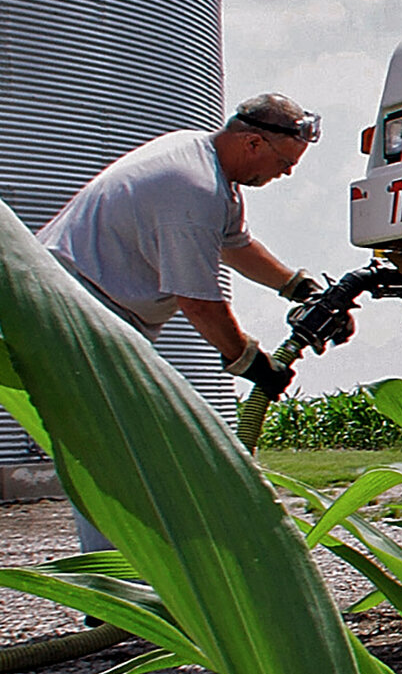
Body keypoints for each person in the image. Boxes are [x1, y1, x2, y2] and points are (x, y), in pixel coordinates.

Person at [37, 92, 325, 550]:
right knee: (111, 452)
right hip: (75, 308)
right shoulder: (192, 187)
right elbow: (199, 302)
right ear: (252, 143)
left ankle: (133, 581)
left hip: (100, 310)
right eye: (284, 161)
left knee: (133, 445)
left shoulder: (206, 165)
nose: (286, 173)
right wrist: (251, 362)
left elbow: (235, 245)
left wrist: (298, 286)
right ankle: (116, 595)